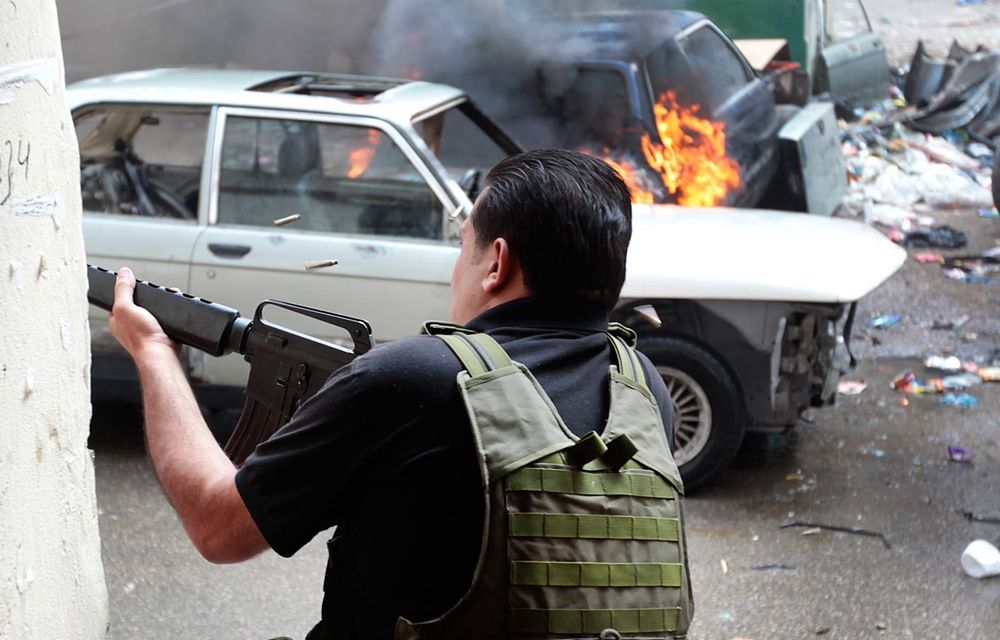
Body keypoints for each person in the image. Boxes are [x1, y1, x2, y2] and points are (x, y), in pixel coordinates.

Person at [109, 149, 686, 639]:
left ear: (497, 263)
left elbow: (219, 526)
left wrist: (153, 352)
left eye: (466, 247)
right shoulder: (642, 387)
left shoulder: (414, 379)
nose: (457, 268)